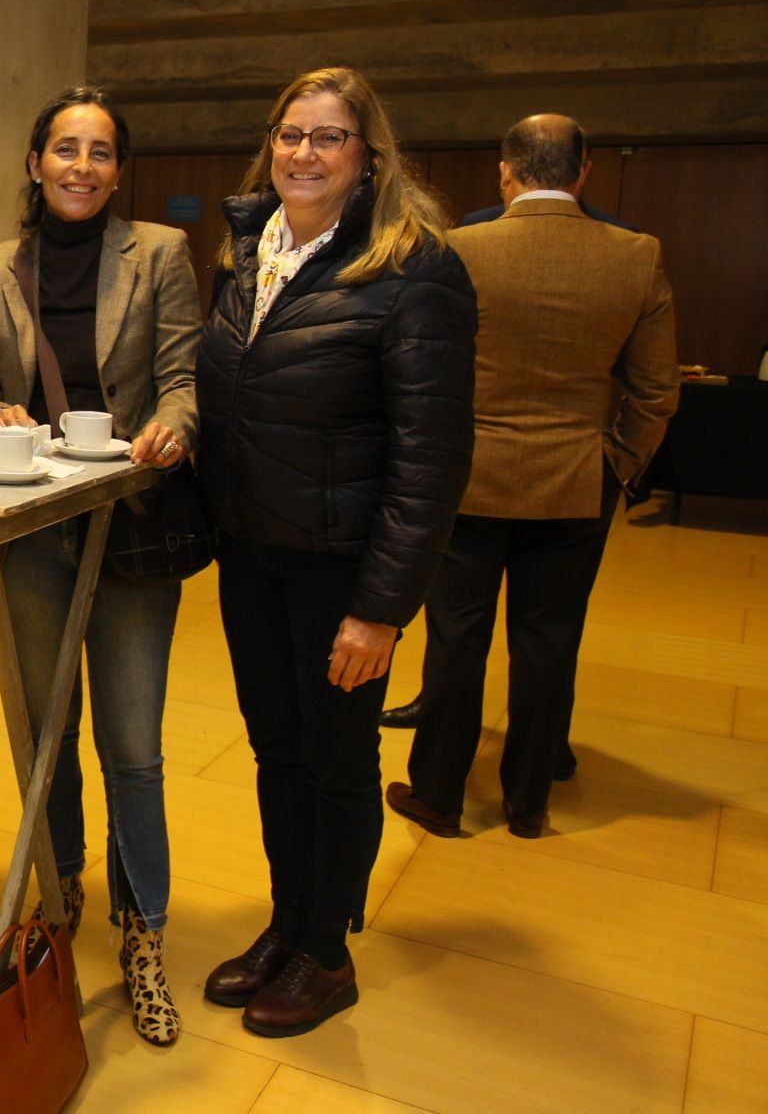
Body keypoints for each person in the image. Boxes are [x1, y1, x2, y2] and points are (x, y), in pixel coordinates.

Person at [194, 66, 475, 1037]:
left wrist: (382, 606)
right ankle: (288, 921)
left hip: (341, 571)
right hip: (254, 555)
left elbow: (432, 457)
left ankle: (327, 950)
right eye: (291, 134)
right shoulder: (249, 249)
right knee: (278, 750)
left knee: (339, 760)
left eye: (328, 137)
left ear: (367, 157)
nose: (304, 154)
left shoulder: (415, 267)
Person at [0, 86, 200, 1046]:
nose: (81, 168)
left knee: (133, 747)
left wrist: (173, 429)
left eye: (100, 153)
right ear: (35, 162)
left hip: (133, 518)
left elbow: (183, 378)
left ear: (117, 169)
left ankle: (144, 935)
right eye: (65, 149)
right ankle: (56, 911)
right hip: (30, 526)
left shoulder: (163, 254)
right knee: (45, 735)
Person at [386, 114, 677, 840]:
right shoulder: (637, 256)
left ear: (505, 172)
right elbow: (657, 390)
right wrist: (621, 465)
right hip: (579, 479)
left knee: (457, 637)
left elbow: (415, 371)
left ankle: (440, 796)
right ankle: (528, 800)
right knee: (550, 639)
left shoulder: (458, 250)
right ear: (583, 174)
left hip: (468, 476)